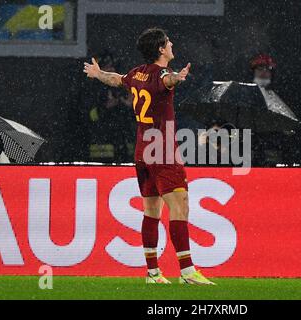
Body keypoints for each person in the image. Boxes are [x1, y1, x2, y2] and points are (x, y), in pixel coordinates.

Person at [84, 28, 215, 285]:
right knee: (180, 205)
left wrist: (99, 74)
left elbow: (117, 80)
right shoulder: (160, 74)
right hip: (163, 150)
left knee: (151, 210)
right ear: (160, 49)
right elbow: (167, 80)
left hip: (142, 150)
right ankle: (188, 271)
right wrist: (177, 77)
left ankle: (153, 273)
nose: (171, 43)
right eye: (168, 42)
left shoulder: (137, 73)